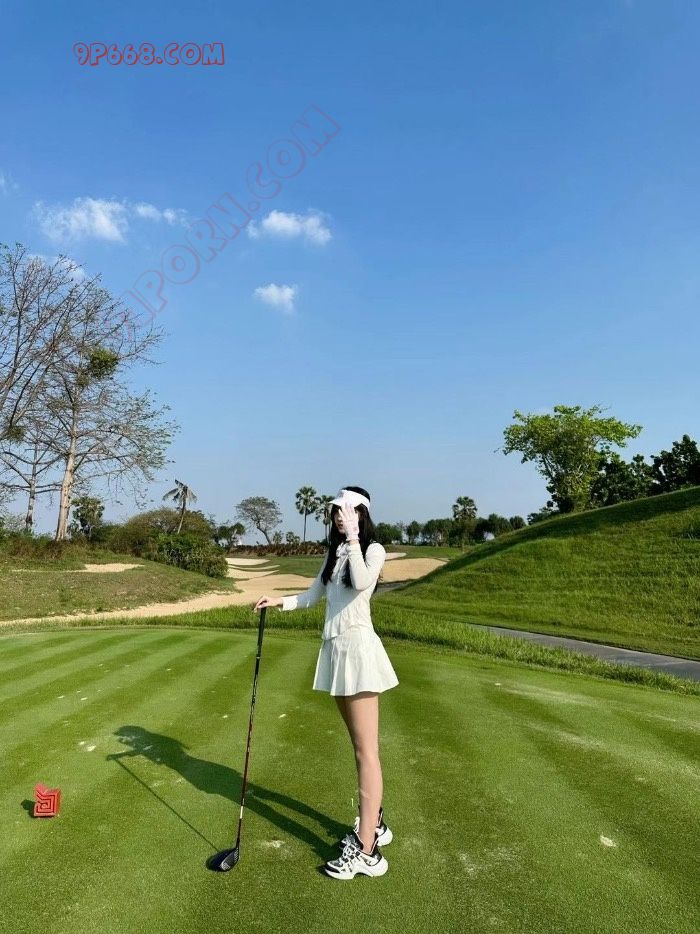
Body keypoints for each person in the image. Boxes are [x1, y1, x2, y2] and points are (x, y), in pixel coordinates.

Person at [253, 485, 399, 880]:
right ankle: (375, 824)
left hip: (360, 654)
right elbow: (312, 596)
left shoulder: (373, 550)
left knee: (367, 752)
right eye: (336, 511)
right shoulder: (332, 553)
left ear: (361, 514)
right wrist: (278, 602)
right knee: (358, 747)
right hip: (335, 652)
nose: (338, 516)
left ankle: (367, 851)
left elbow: (363, 581)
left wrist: (353, 538)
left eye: (346, 511)